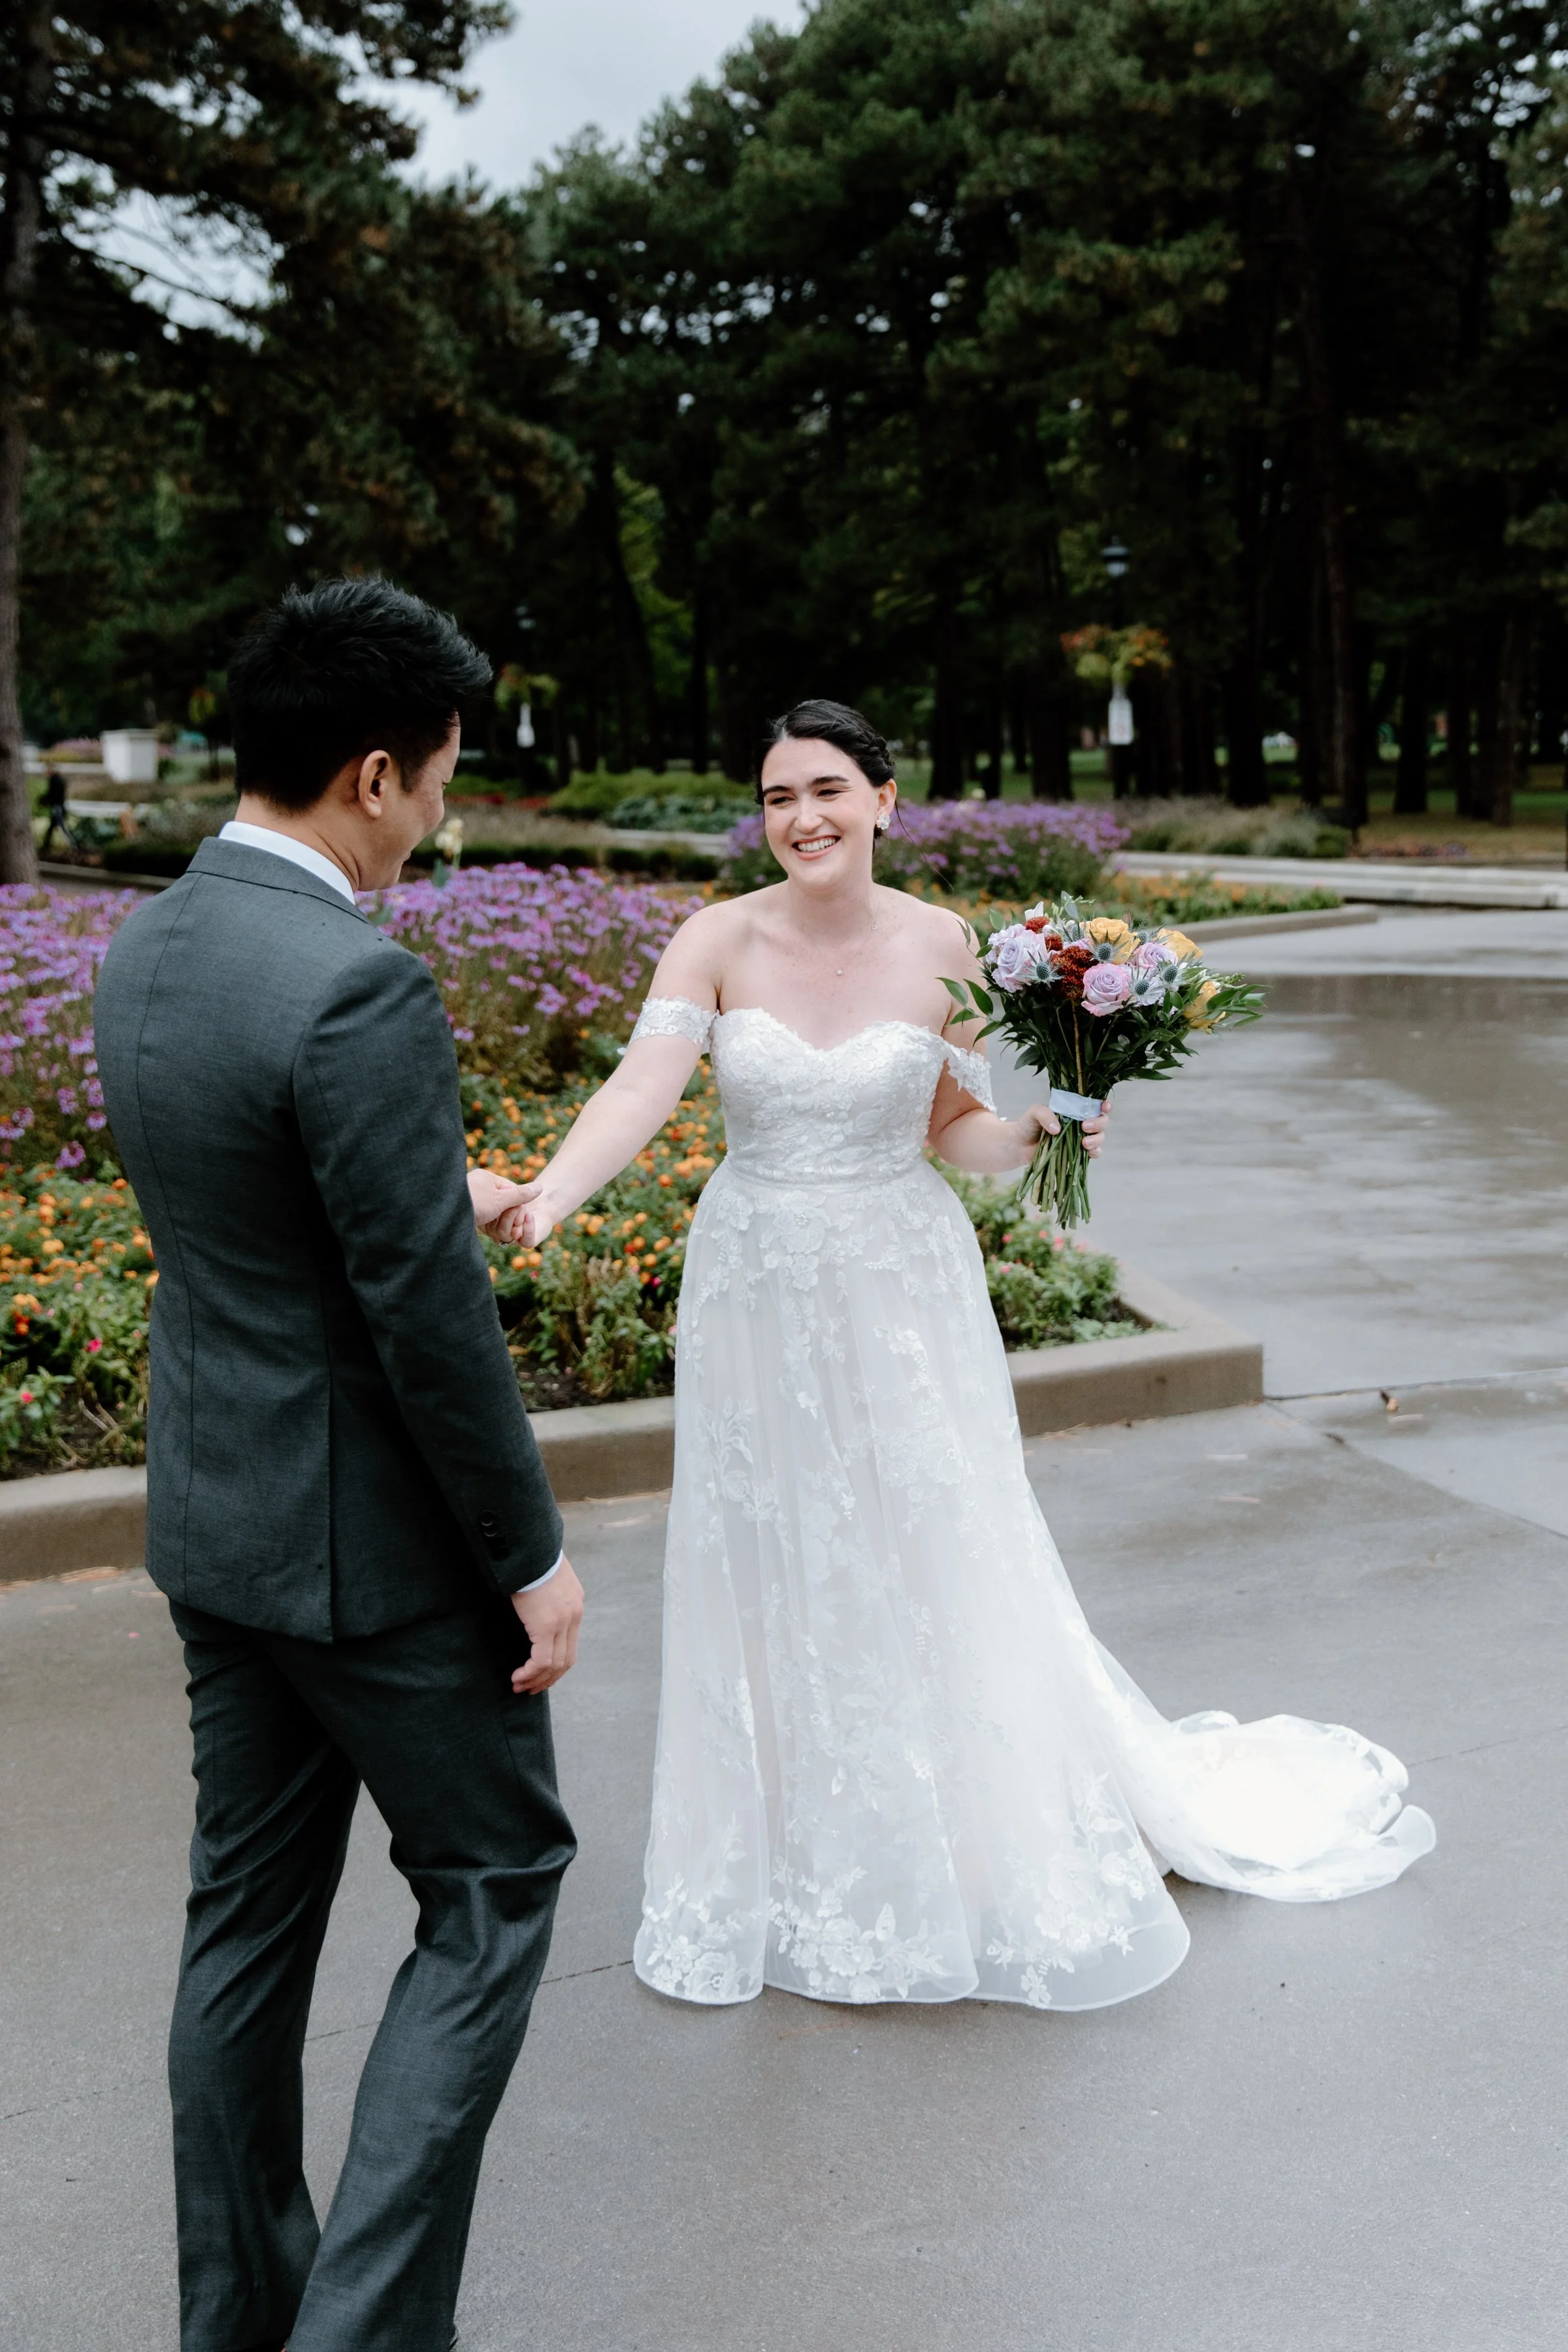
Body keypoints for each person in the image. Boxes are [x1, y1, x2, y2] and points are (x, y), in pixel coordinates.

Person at [502, 698, 1433, 2014]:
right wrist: (551, 1192)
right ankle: (791, 1856)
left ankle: (962, 1839)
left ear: (886, 800)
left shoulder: (943, 942)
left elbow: (958, 1129)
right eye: (776, 798)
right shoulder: (715, 937)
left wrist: (1058, 1125)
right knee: (775, 1551)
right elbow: (639, 1092)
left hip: (900, 1282)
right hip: (758, 1282)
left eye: (827, 789)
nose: (802, 818)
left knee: (930, 1537)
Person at [95, 579, 584, 2352]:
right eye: (446, 778)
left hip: (214, 1528)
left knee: (242, 1937)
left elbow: (246, 1213)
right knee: (497, 1882)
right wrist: (527, 1554)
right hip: (376, 1562)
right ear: (376, 773)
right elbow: (427, 1331)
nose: (444, 815)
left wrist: (412, 1186)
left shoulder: (150, 946)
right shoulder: (355, 984)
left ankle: (236, 2320)